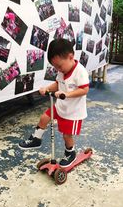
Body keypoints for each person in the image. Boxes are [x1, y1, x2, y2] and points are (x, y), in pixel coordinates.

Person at [19, 38, 89, 167]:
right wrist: (47, 89)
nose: (58, 69)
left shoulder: (80, 72)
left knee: (66, 136)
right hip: (60, 106)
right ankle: (36, 139)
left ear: (70, 57)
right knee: (44, 118)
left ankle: (70, 153)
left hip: (73, 111)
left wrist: (67, 94)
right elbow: (58, 84)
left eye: (59, 66)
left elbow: (84, 89)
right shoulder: (62, 70)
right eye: (55, 67)